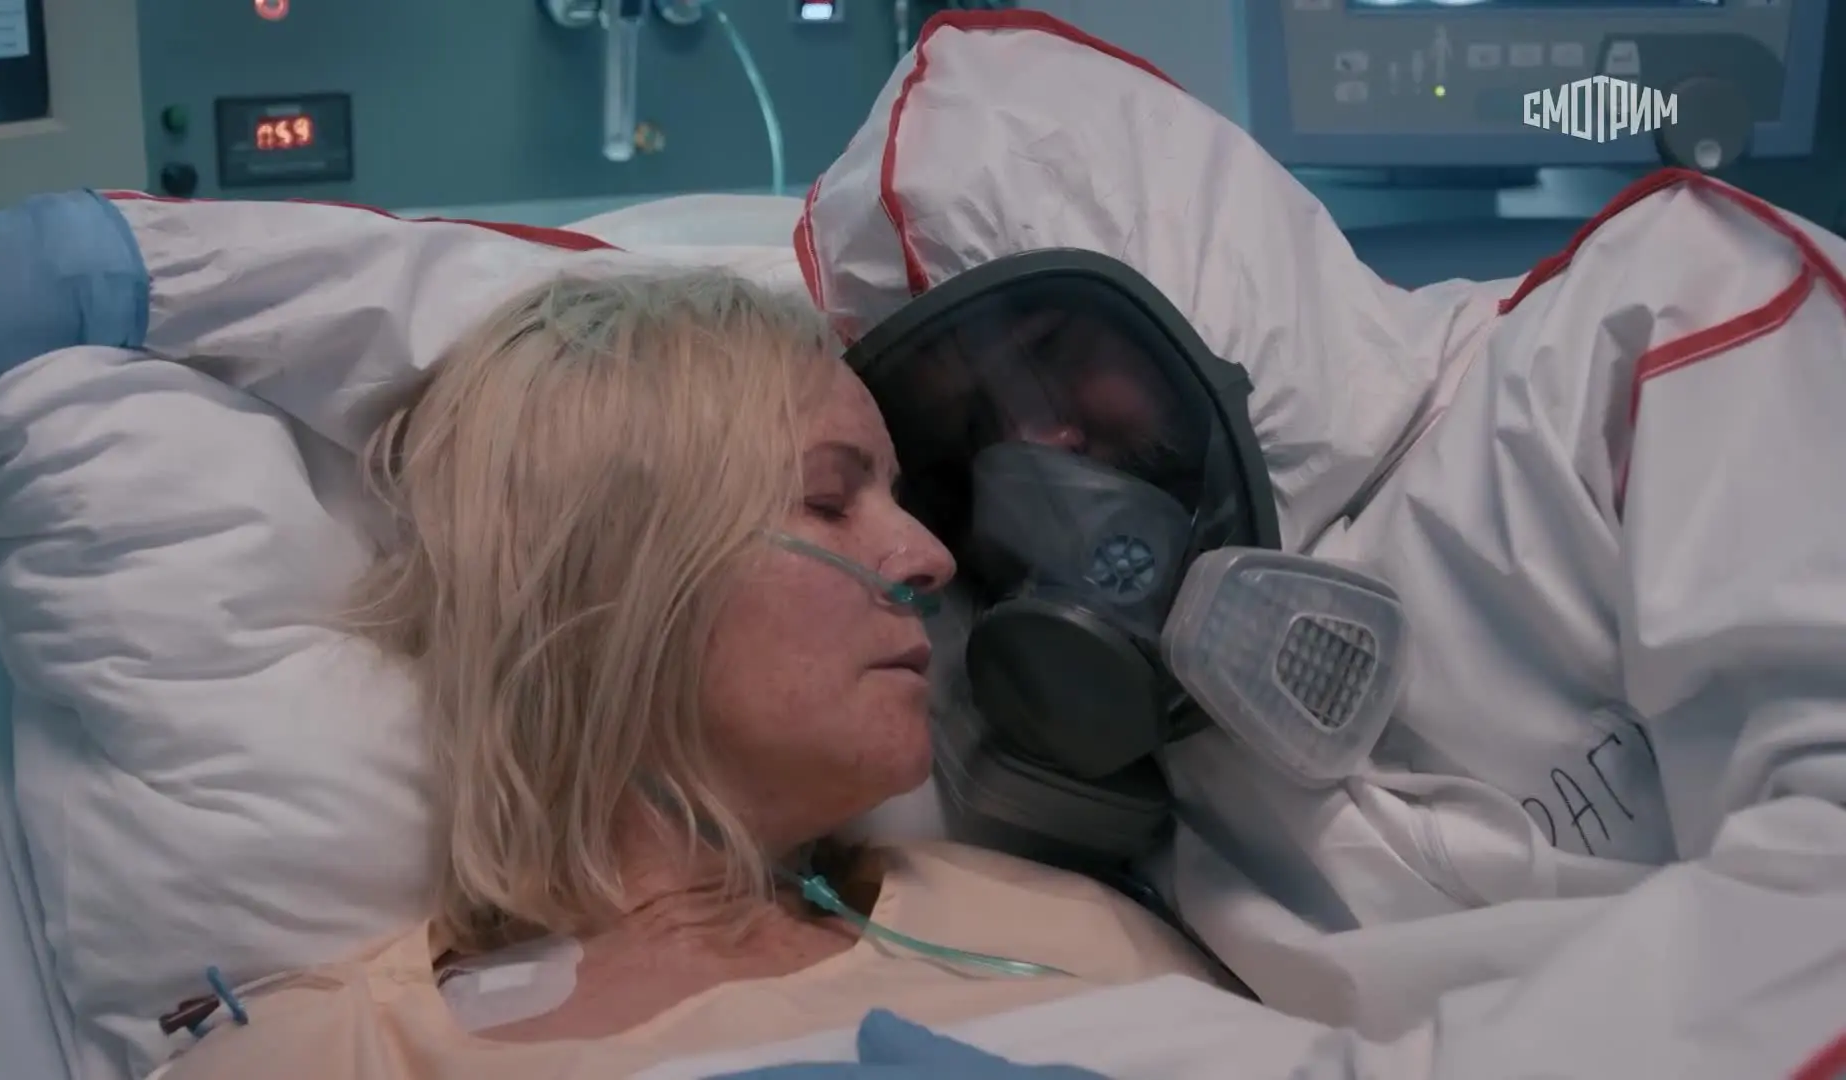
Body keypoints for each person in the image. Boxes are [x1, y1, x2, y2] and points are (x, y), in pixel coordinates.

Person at [781, 9, 1846, 1079]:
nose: (1035, 446)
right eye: (969, 430)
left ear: (1191, 265)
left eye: (1051, 351)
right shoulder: (1068, 719)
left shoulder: (1649, 340)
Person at [129, 268, 1220, 1080]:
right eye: (828, 499)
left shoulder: (1070, 941)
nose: (930, 558)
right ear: (616, 577)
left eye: (898, 499)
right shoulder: (320, 1057)